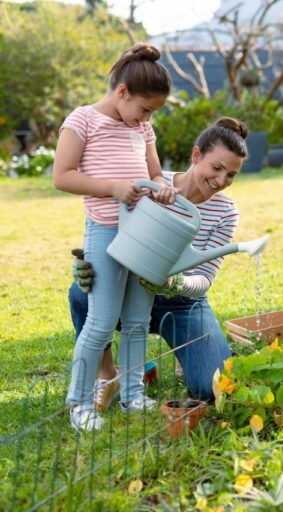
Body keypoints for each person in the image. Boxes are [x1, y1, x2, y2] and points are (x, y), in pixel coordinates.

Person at [69, 117, 249, 410]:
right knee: (80, 295)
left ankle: (185, 353)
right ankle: (108, 376)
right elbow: (111, 232)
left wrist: (173, 282)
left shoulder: (226, 211)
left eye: (231, 175)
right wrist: (88, 265)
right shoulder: (150, 183)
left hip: (182, 303)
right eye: (216, 168)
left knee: (210, 387)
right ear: (196, 155)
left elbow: (204, 277)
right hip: (129, 291)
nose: (220, 181)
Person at [53, 43, 174, 432]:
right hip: (106, 231)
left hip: (143, 233)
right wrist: (113, 188)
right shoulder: (83, 120)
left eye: (152, 112)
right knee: (102, 320)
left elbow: (155, 173)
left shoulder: (141, 127)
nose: (146, 117)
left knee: (137, 320)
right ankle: (79, 403)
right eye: (144, 108)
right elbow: (63, 176)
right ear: (122, 92)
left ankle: (133, 394)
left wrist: (162, 188)